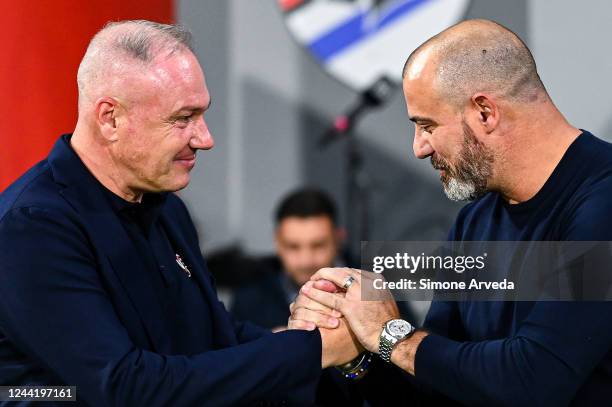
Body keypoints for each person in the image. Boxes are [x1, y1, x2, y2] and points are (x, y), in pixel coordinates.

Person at [0, 20, 361, 406]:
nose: (204, 139)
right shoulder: (33, 228)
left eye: (202, 114)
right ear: (110, 118)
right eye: (182, 118)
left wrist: (310, 334)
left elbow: (215, 338)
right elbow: (125, 388)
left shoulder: (168, 208)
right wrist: (313, 350)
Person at [289, 19, 612, 405]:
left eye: (427, 125)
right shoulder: (474, 222)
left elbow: (534, 380)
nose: (419, 148)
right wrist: (353, 346)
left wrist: (391, 334)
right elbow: (437, 385)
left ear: (484, 113)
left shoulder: (602, 203)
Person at [231, 188, 345, 331]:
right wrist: (266, 347)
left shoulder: (371, 282)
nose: (306, 261)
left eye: (318, 245)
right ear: (277, 242)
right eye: (293, 247)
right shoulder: (248, 301)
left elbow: (381, 344)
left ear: (338, 238)